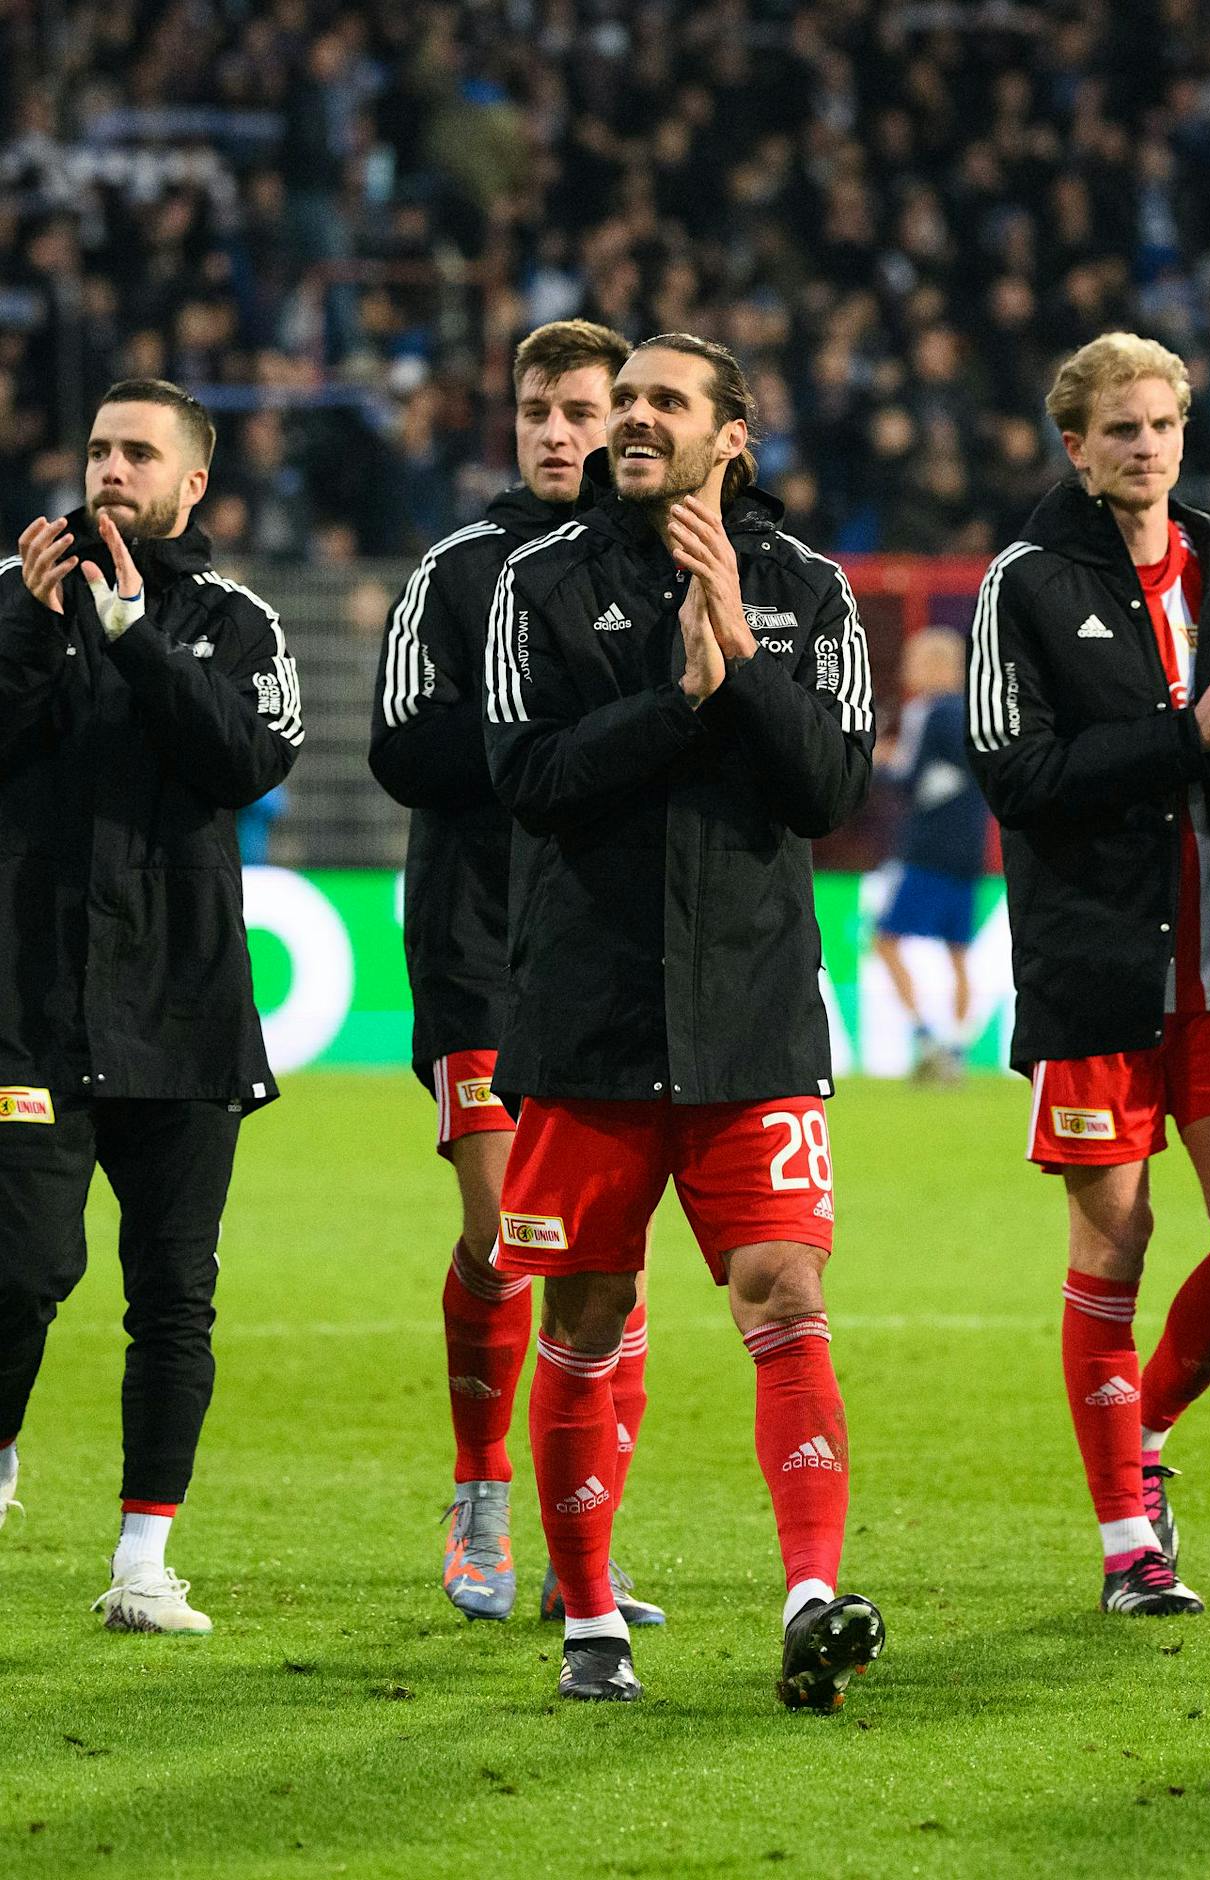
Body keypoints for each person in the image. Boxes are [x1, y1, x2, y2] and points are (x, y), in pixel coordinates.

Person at [483, 333, 883, 1707]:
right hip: (587, 1018)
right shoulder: (540, 580)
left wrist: (742, 657)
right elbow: (523, 777)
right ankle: (591, 1618)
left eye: (666, 401)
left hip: (754, 1019)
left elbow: (829, 788)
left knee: (787, 1293)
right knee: (587, 1314)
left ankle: (812, 1597)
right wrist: (678, 702)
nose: (634, 418)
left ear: (733, 438)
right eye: (629, 400)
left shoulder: (810, 592)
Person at [968, 332, 1210, 1617]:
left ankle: (1141, 1427)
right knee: (1111, 1250)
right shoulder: (1023, 581)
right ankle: (1129, 1542)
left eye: (1162, 424)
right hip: (1097, 970)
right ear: (1072, 447)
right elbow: (1016, 779)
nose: (1145, 446)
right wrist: (1193, 727)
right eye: (1118, 429)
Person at [369, 319, 662, 1629]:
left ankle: (579, 1545)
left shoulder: (658, 560)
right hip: (480, 944)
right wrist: (548, 737)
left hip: (611, 954)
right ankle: (481, 1493)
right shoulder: (459, 570)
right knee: (502, 1238)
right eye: (539, 408)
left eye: (581, 409)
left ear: (625, 418)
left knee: (608, 1260)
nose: (559, 431)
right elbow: (399, 748)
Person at [0, 379, 303, 1631]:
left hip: (182, 1007)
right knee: (22, 1267)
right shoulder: (15, 600)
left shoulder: (236, 621)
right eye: (98, 447)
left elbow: (247, 758)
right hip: (32, 1004)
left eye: (139, 452)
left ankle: (141, 1561)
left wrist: (134, 638)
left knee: (174, 1292)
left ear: (192, 486)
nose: (111, 468)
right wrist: (31, 623)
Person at [873, 626, 989, 1080]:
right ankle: (957, 1052)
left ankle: (925, 1037)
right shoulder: (976, 714)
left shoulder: (926, 710)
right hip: (969, 851)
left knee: (886, 941)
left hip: (926, 849)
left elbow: (906, 779)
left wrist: (875, 756)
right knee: (958, 953)